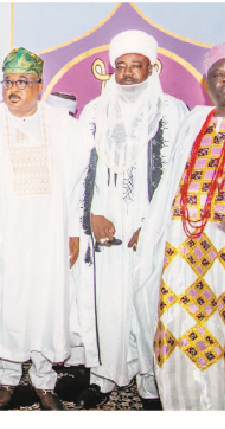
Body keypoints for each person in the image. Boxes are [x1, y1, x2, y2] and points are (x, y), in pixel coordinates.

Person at [0, 47, 89, 411]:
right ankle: (8, 378)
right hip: (1, 233)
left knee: (46, 303)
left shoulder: (64, 128)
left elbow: (79, 184)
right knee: (7, 304)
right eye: (9, 82)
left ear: (39, 85)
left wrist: (74, 230)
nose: (14, 89)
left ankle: (45, 382)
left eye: (23, 82)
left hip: (49, 234)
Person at [72, 30, 188, 410]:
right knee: (105, 300)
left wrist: (151, 225)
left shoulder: (172, 112)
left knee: (148, 302)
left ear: (151, 69)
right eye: (120, 65)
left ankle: (150, 382)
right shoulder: (93, 112)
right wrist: (91, 214)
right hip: (105, 224)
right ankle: (102, 377)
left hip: (149, 225)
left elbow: (177, 175)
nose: (126, 73)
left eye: (135, 65)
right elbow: (77, 172)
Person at [134, 43, 225, 410]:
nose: (223, 81)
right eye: (216, 74)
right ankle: (184, 401)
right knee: (178, 320)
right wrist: (152, 226)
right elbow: (172, 180)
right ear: (206, 82)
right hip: (182, 240)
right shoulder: (195, 119)